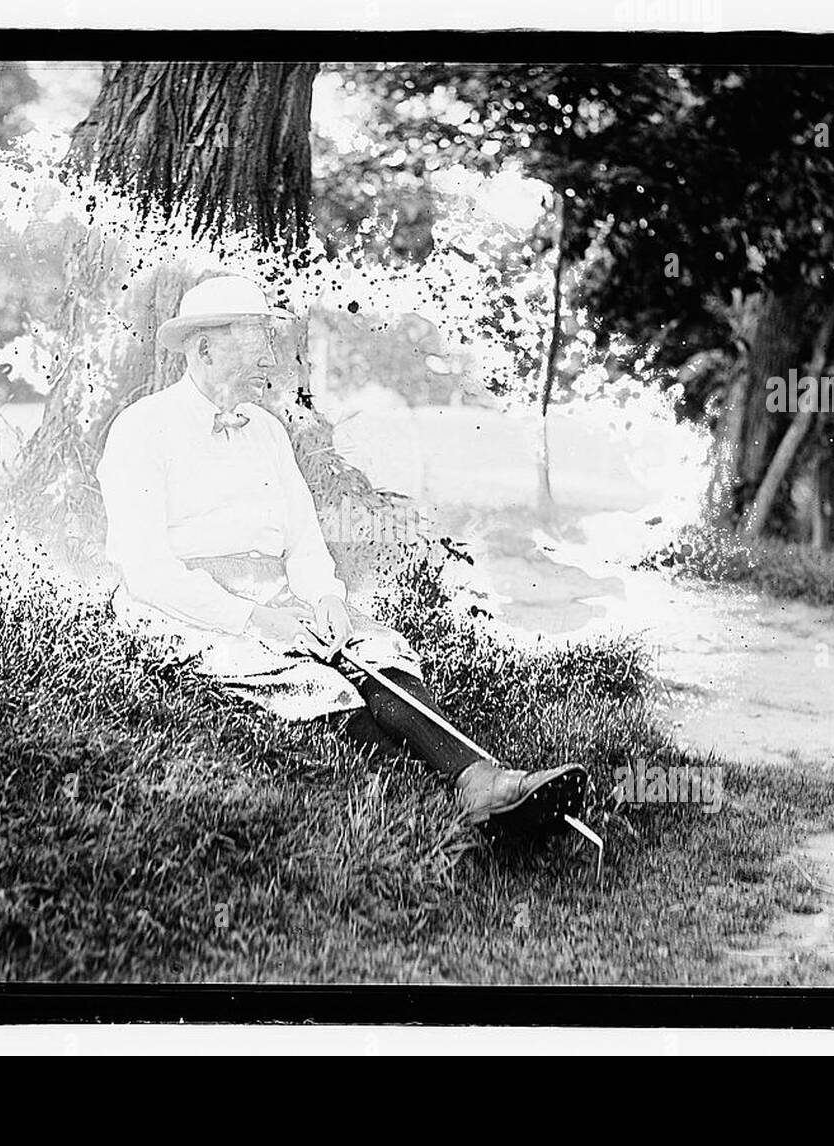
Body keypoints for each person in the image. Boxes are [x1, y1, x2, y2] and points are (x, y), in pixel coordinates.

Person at [95, 274, 587, 833]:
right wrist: (252, 618)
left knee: (372, 652)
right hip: (184, 607)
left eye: (271, 343)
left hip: (274, 596)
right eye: (255, 344)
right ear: (203, 348)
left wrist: (325, 597)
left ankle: (480, 778)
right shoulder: (143, 429)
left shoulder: (266, 432)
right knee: (321, 686)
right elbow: (145, 570)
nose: (272, 362)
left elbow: (303, 542)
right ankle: (468, 798)